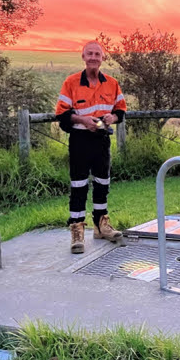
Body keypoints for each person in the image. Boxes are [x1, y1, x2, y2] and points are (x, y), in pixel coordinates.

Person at [55, 41, 127, 253]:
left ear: (102, 58)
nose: (94, 57)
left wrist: (111, 117)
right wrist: (84, 120)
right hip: (79, 139)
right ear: (83, 57)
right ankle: (76, 230)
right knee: (78, 186)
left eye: (97, 54)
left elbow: (121, 111)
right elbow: (62, 114)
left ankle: (101, 225)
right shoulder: (71, 82)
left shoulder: (112, 83)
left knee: (102, 183)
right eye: (90, 54)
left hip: (102, 140)